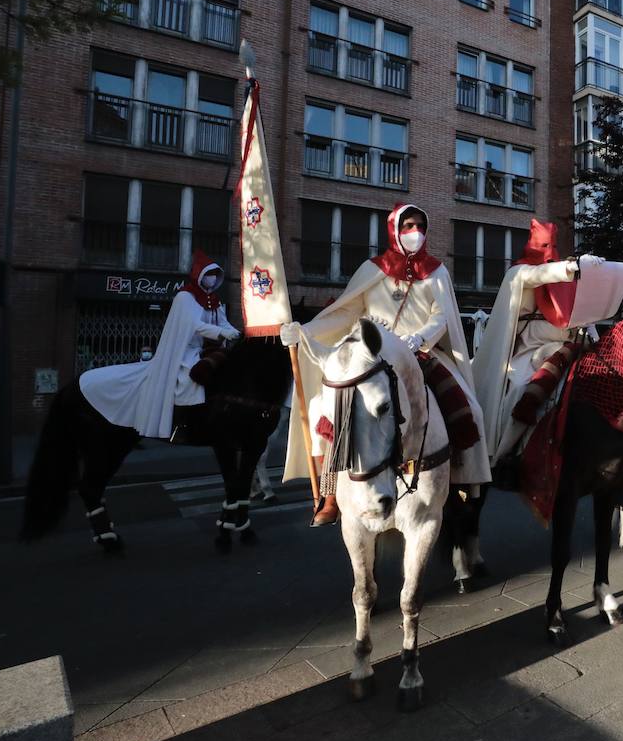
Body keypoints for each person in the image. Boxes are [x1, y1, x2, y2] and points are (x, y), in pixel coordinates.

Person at [281, 203, 490, 525]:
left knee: (468, 407)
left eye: (420, 225)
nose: (415, 232)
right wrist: (304, 331)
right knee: (323, 404)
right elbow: (346, 312)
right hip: (369, 353)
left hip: (419, 351)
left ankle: (460, 479)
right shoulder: (372, 269)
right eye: (407, 225)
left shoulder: (437, 271)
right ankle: (331, 493)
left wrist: (420, 338)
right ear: (394, 229)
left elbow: (442, 316)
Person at [80, 251, 240, 439]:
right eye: (209, 274)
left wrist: (234, 331)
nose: (212, 279)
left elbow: (222, 322)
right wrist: (221, 333)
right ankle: (182, 423)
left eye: (215, 275)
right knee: (189, 379)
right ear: (200, 275)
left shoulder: (215, 301)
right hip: (184, 349)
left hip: (206, 348)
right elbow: (193, 325)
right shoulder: (185, 297)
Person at [472, 219, 583, 473]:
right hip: (526, 345)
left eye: (552, 245)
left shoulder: (557, 272)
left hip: (561, 340)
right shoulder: (519, 273)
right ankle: (504, 452)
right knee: (522, 386)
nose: (549, 251)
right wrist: (568, 267)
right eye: (544, 245)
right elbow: (537, 275)